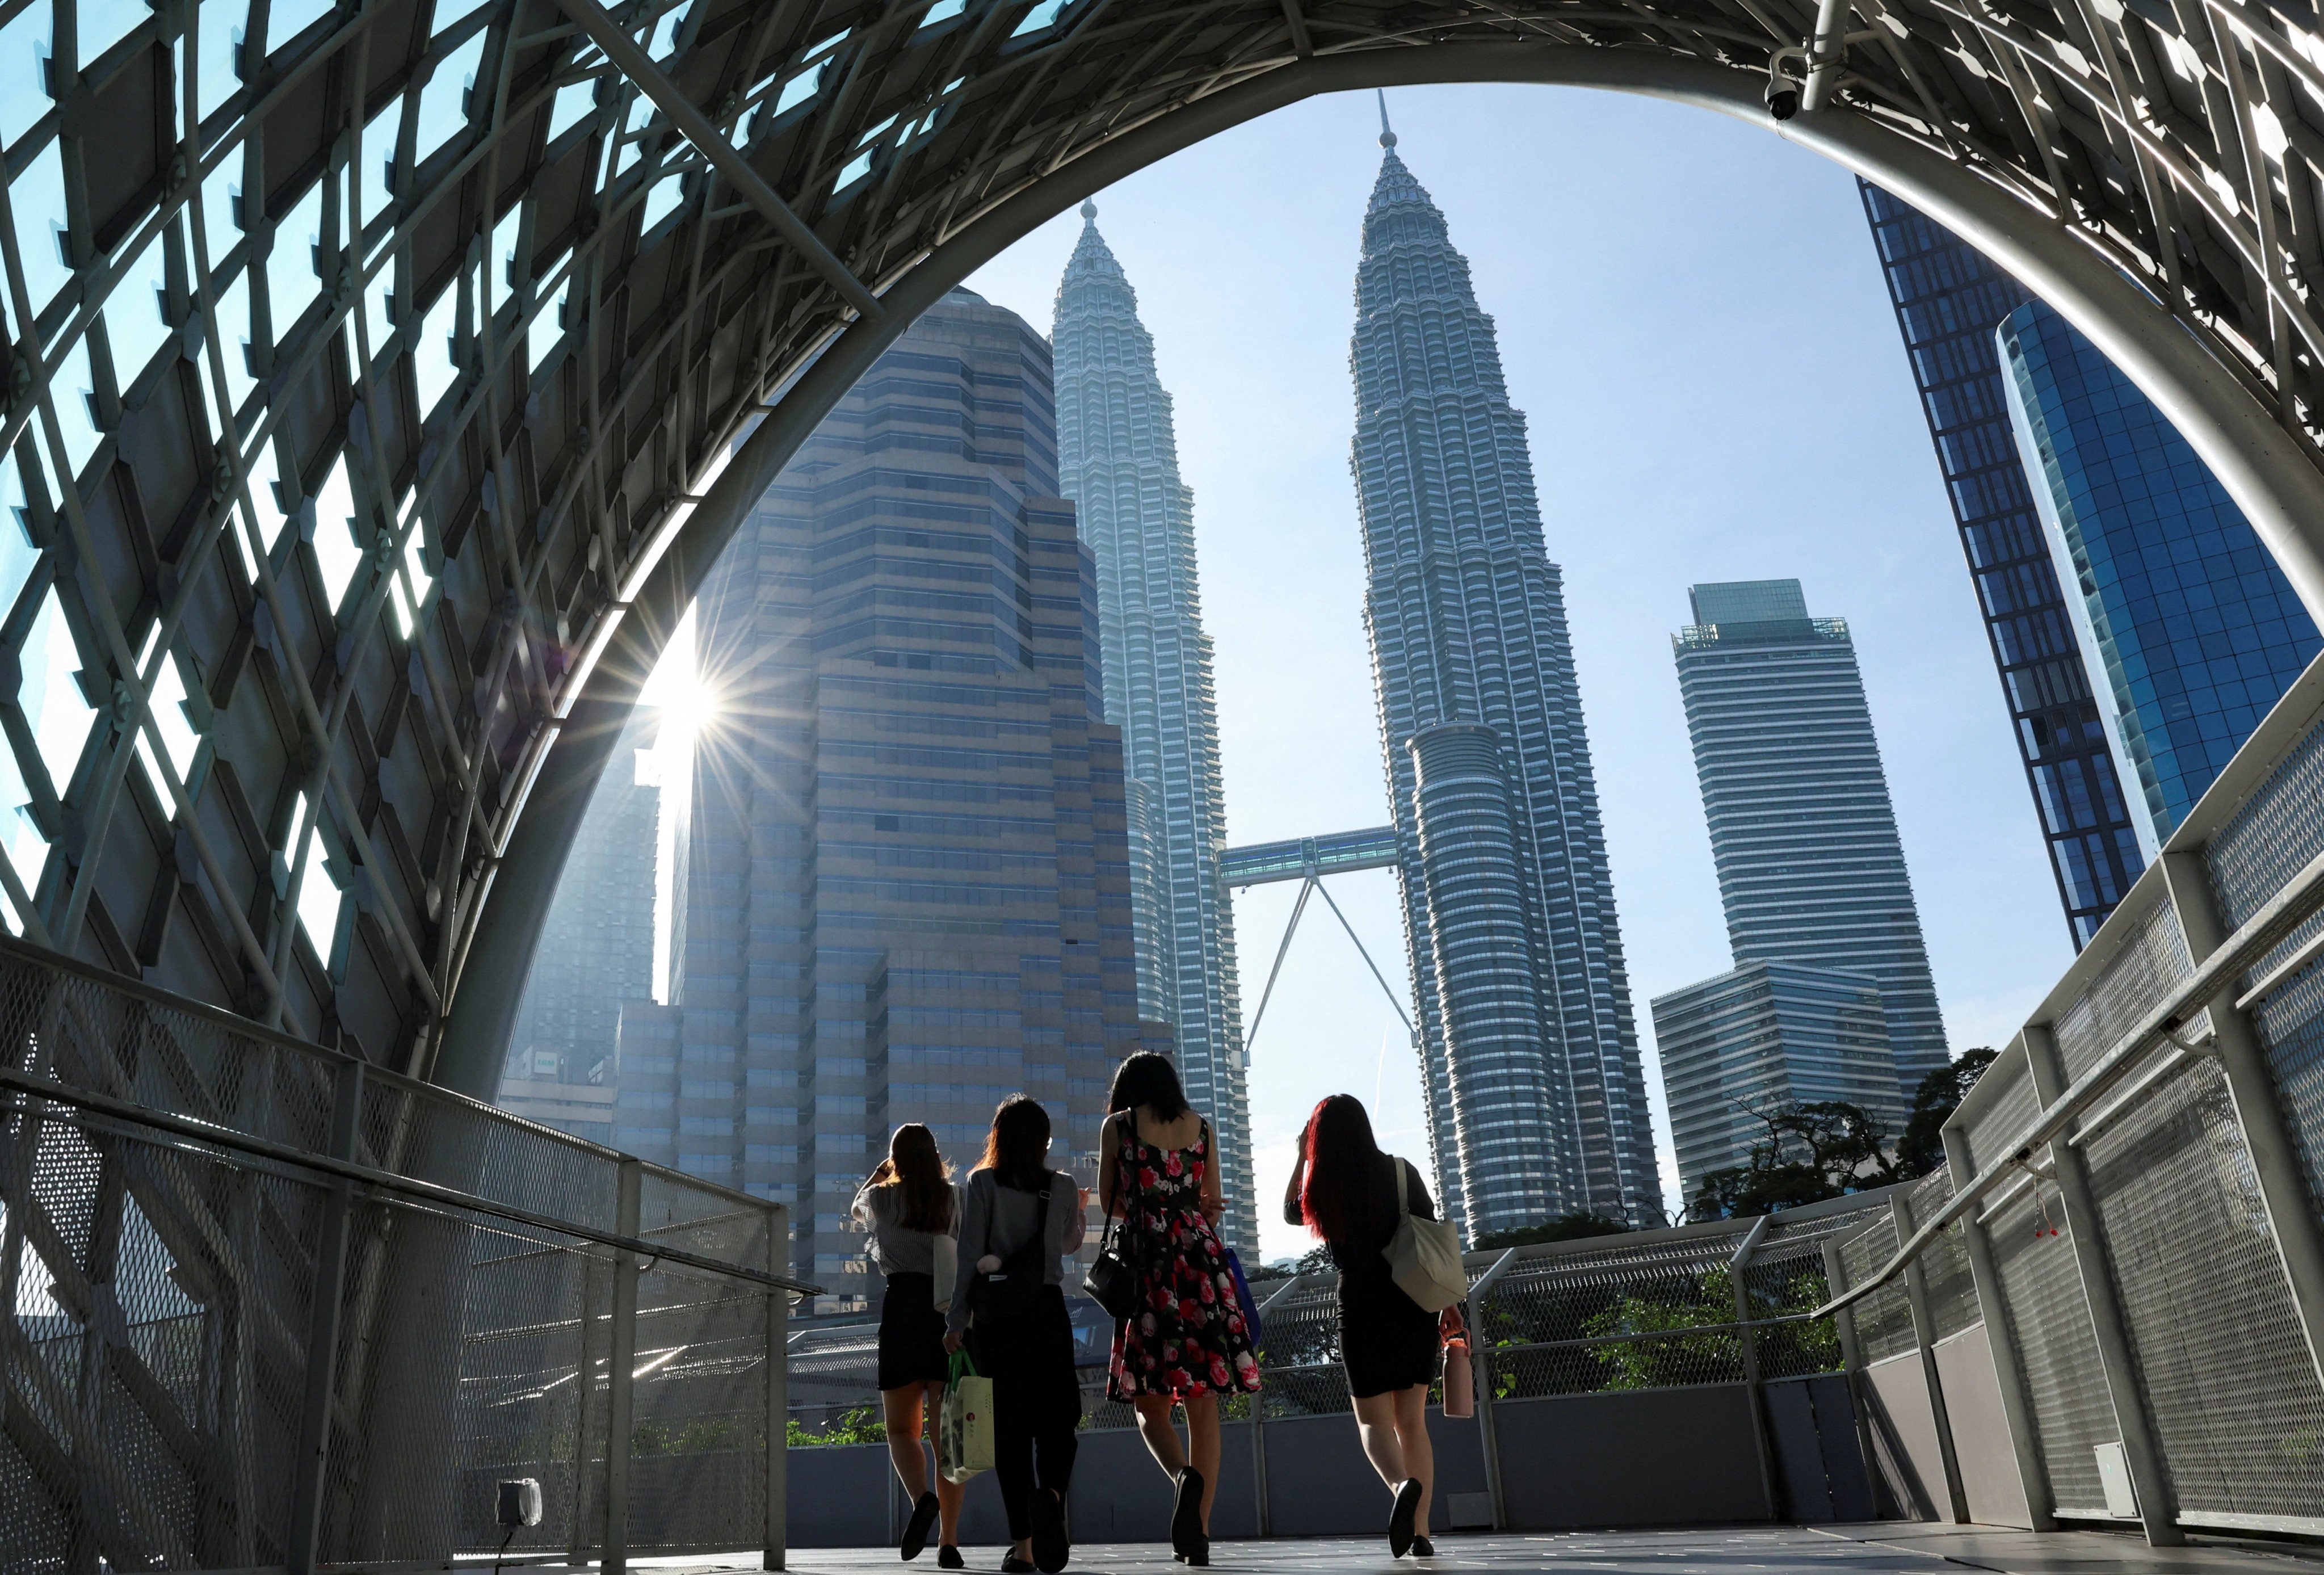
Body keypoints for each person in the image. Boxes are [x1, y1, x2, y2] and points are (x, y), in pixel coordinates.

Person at [1100, 1052, 1260, 1568]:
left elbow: (1109, 1201)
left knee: (1150, 1404)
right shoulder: (1203, 1128)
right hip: (1198, 1260)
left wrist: (1147, 1202)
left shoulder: (1118, 1126)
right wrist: (1187, 1205)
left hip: (1149, 1262)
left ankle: (1181, 1476)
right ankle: (1200, 1533)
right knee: (1203, 1406)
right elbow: (1209, 1199)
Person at [1283, 1094, 1454, 1559]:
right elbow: (1430, 1235)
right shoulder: (1401, 1172)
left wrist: (1302, 1155)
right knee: (1413, 1422)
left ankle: (1401, 1487)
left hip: (1360, 1307)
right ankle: (1420, 1533)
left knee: (1373, 1422)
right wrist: (1448, 1303)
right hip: (1412, 1303)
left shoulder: (1323, 1184)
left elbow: (1290, 1212)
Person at [945, 1097, 1085, 1574]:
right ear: (1044, 1141)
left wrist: (956, 1320)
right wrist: (1077, 1210)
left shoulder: (980, 1183)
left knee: (1010, 1435)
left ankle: (1024, 1549)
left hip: (997, 1318)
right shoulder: (1061, 1186)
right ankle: (1052, 1497)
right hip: (1047, 1311)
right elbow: (1065, 1246)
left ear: (997, 1136)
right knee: (1057, 1422)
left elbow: (968, 1255)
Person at [854, 1124, 966, 1565]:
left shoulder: (882, 1198)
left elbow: (855, 1207)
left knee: (902, 1430)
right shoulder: (955, 1197)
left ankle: (922, 1498)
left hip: (901, 1313)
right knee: (948, 1441)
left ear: (895, 1158)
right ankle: (949, 1542)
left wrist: (880, 1173)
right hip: (946, 1314)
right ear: (936, 1155)